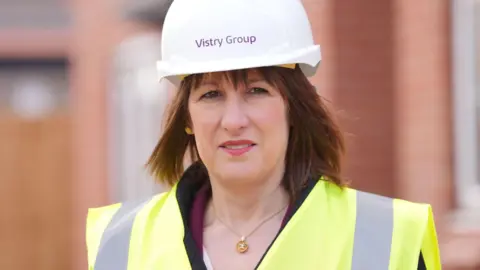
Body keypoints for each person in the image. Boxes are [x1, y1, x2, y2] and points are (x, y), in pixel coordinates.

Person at [86, 0, 441, 269]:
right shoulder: (120, 242)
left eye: (256, 91)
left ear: (293, 108)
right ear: (187, 117)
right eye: (211, 95)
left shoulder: (389, 236)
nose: (234, 120)